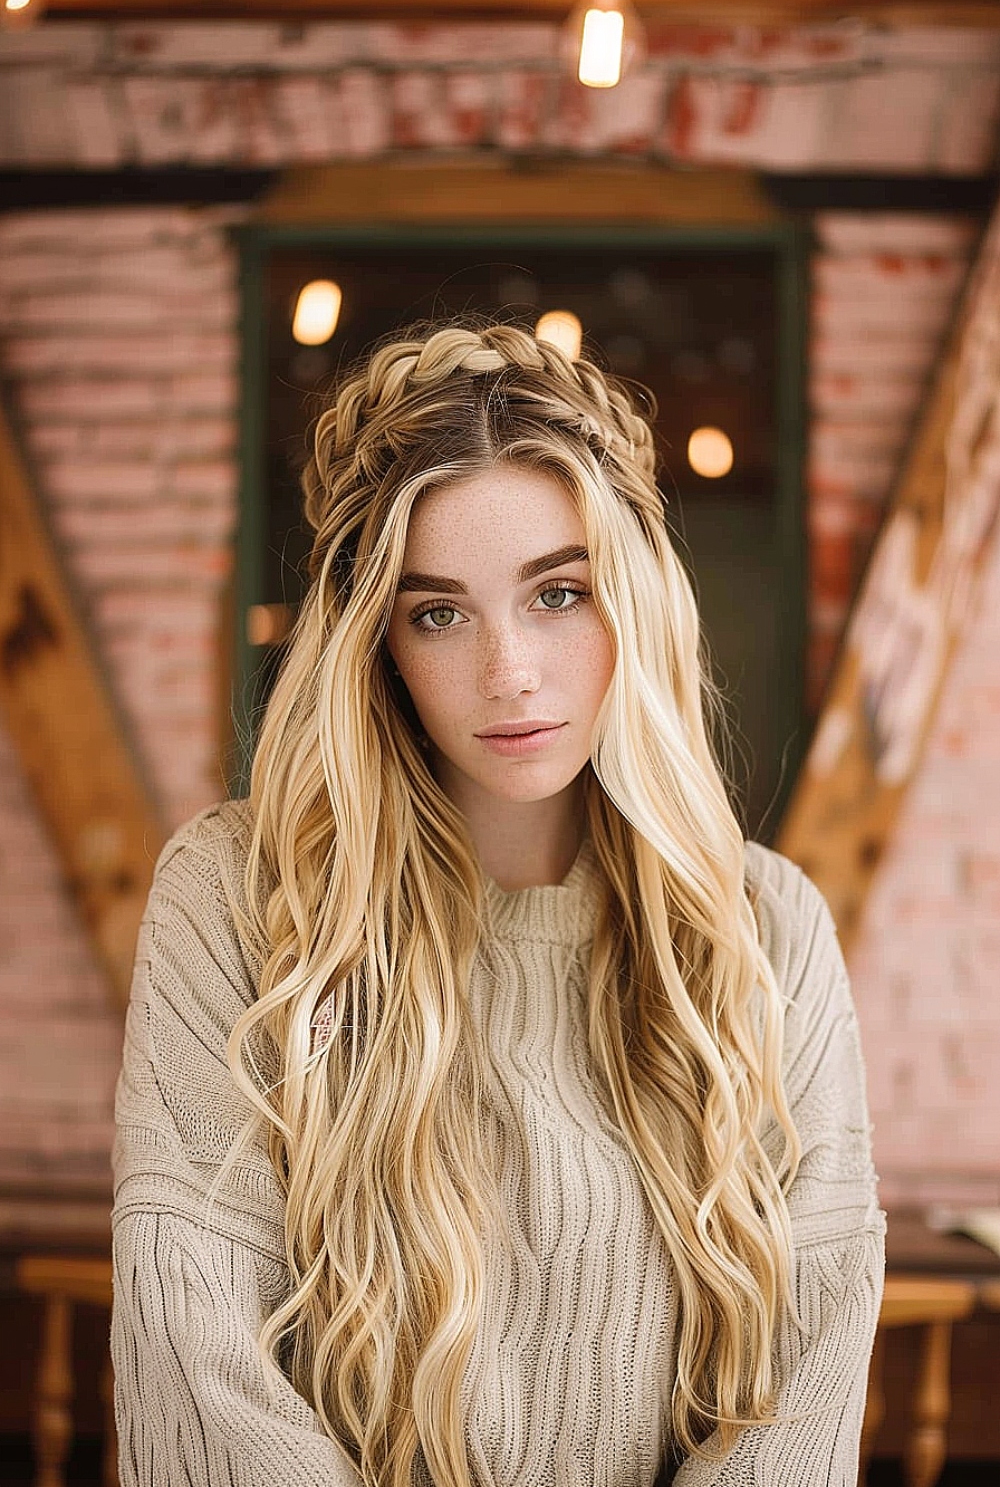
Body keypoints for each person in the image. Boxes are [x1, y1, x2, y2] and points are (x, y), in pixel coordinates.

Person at [111, 321, 885, 1487]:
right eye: (438, 612)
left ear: (635, 604)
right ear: (375, 644)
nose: (508, 670)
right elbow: (201, 1362)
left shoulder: (763, 930)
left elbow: (806, 1377)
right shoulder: (236, 901)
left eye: (558, 594)